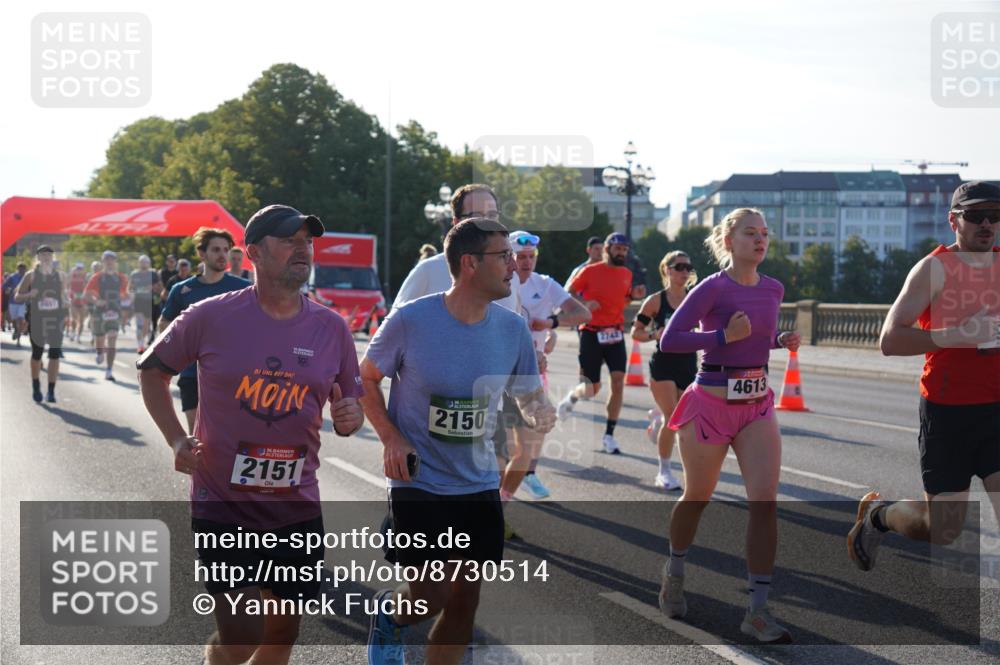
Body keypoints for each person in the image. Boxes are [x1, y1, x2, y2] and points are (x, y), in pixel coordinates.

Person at [138, 204, 363, 665]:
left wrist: (349, 416)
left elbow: (351, 408)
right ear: (254, 253)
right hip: (223, 502)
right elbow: (152, 372)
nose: (302, 249)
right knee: (242, 635)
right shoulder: (208, 315)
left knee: (282, 633)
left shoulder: (332, 328)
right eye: (289, 240)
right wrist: (177, 439)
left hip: (295, 504)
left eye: (308, 241)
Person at [360, 218, 556, 665]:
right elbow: (366, 379)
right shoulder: (411, 320)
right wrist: (391, 438)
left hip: (478, 481)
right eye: (503, 256)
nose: (514, 266)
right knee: (431, 596)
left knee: (465, 601)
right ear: (470, 263)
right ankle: (390, 616)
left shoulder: (512, 329)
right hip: (419, 481)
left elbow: (529, 395)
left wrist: (540, 413)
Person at [655, 207, 799, 643]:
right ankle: (675, 570)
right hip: (710, 404)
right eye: (750, 233)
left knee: (765, 501)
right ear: (728, 240)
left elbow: (755, 338)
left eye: (765, 234)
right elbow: (670, 339)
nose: (760, 240)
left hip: (756, 405)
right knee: (697, 497)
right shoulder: (710, 288)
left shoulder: (773, 288)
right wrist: (721, 338)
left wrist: (777, 340)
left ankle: (757, 611)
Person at [848, 181, 1000, 572]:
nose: (988, 224)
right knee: (943, 528)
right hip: (948, 413)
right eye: (976, 216)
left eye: (995, 216)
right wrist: (956, 336)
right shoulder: (934, 268)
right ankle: (879, 516)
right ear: (954, 220)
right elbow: (889, 339)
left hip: (996, 410)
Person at [503, 230, 591, 501]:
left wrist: (551, 325)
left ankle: (521, 480)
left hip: (534, 373)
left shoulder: (545, 284)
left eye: (531, 257)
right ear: (510, 257)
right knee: (505, 446)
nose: (526, 262)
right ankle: (501, 496)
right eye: (520, 257)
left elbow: (582, 313)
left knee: (532, 435)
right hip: (502, 372)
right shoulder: (501, 285)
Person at [557, 233, 644, 454]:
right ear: (607, 249)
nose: (621, 253)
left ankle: (609, 436)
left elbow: (622, 299)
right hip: (591, 333)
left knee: (617, 382)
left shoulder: (627, 273)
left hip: (614, 334)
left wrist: (633, 296)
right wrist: (585, 303)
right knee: (591, 389)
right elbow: (569, 293)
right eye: (617, 249)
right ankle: (573, 396)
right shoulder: (590, 271)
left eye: (625, 250)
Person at [159, 228, 251, 434]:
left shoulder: (244, 288)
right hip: (192, 372)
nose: (222, 255)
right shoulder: (183, 289)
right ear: (202, 254)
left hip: (232, 374)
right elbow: (164, 323)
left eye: (225, 250)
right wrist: (183, 343)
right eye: (216, 249)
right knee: (197, 435)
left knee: (227, 434)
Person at [631, 251, 699, 490]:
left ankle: (658, 419)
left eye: (687, 267)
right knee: (674, 419)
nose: (684, 271)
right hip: (664, 364)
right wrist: (654, 334)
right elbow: (635, 332)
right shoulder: (655, 301)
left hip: (688, 364)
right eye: (679, 266)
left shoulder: (695, 298)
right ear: (667, 270)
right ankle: (664, 472)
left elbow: (707, 327)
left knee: (685, 421)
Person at [13, 246, 67, 402]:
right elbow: (17, 296)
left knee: (54, 355)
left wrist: (65, 302)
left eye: (49, 255)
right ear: (38, 257)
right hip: (37, 320)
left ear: (53, 257)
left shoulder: (60, 276)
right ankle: (36, 386)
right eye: (43, 255)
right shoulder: (31, 275)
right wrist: (30, 294)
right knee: (37, 354)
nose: (46, 257)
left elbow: (64, 296)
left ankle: (51, 391)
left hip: (55, 320)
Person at [84, 250, 128, 381]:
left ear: (115, 262)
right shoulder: (97, 277)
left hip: (115, 311)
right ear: (103, 262)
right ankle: (99, 352)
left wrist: (126, 300)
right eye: (107, 260)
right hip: (100, 312)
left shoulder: (121, 277)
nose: (109, 262)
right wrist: (97, 301)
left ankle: (109, 370)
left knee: (112, 339)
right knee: (100, 338)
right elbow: (86, 294)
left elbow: (125, 294)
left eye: (112, 259)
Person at [128, 255, 161, 354]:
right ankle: (140, 345)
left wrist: (152, 287)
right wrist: (131, 294)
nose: (143, 264)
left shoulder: (153, 273)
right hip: (138, 300)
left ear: (149, 263)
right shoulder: (134, 274)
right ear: (139, 263)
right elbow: (130, 287)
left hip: (149, 301)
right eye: (142, 262)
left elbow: (159, 285)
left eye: (146, 262)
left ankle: (143, 341)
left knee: (146, 324)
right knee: (140, 324)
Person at [4, 263, 28, 346]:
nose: (22, 270)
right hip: (13, 301)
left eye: (23, 268)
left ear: (25, 269)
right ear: (18, 269)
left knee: (20, 320)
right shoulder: (12, 277)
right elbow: (4, 286)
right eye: (20, 268)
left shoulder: (27, 278)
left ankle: (18, 340)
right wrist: (7, 289)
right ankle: (15, 330)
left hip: (22, 302)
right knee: (14, 320)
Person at [68, 263, 88, 342]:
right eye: (78, 269)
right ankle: (72, 332)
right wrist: (71, 294)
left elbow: (87, 288)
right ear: (75, 269)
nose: (79, 270)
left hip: (82, 301)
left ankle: (78, 336)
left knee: (82, 320)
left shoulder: (85, 277)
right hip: (73, 300)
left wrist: (84, 293)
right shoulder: (72, 276)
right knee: (74, 318)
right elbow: (66, 287)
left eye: (81, 269)